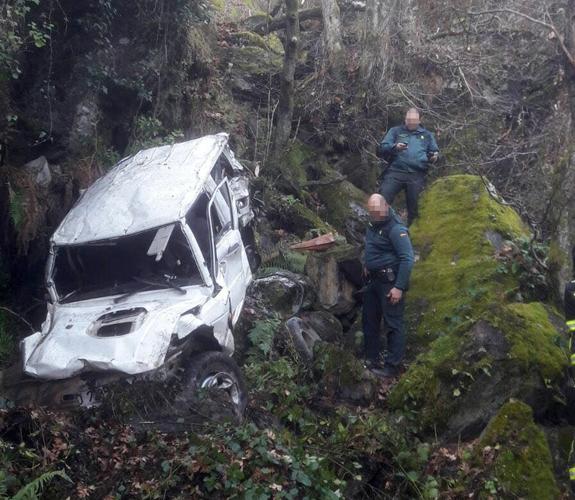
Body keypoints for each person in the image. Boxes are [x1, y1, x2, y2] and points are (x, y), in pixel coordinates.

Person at [362, 193, 414, 378]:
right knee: (369, 320)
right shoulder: (372, 224)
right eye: (371, 212)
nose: (374, 215)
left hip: (390, 283)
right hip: (373, 281)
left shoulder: (396, 229)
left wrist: (399, 287)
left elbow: (407, 259)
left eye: (377, 211)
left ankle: (392, 367)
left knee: (393, 324)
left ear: (386, 206)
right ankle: (371, 359)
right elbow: (369, 246)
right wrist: (366, 263)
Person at [378, 108, 439, 225]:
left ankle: (411, 236)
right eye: (409, 120)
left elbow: (435, 152)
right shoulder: (395, 131)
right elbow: (382, 148)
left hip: (417, 174)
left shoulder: (427, 135)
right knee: (383, 198)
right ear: (405, 119)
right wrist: (395, 147)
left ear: (419, 120)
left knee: (415, 207)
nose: (411, 123)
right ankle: (380, 230)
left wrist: (434, 157)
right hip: (396, 171)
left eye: (414, 121)